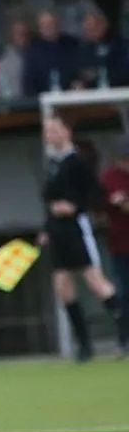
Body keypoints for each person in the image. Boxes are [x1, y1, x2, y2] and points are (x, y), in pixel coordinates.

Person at [39, 116, 121, 361]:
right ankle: (84, 345)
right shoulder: (51, 163)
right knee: (63, 285)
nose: (50, 135)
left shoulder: (79, 162)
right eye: (47, 131)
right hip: (57, 230)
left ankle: (124, 336)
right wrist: (47, 228)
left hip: (76, 227)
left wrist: (74, 207)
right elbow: (49, 199)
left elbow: (95, 193)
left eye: (54, 130)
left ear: (66, 131)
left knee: (95, 282)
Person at [100, 135, 129, 354]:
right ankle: (124, 339)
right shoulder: (109, 177)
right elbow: (98, 205)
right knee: (124, 293)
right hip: (120, 245)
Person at [0, 20, 30, 100]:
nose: (22, 36)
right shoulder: (3, 62)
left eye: (25, 33)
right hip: (14, 107)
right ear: (12, 36)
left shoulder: (37, 57)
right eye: (18, 33)